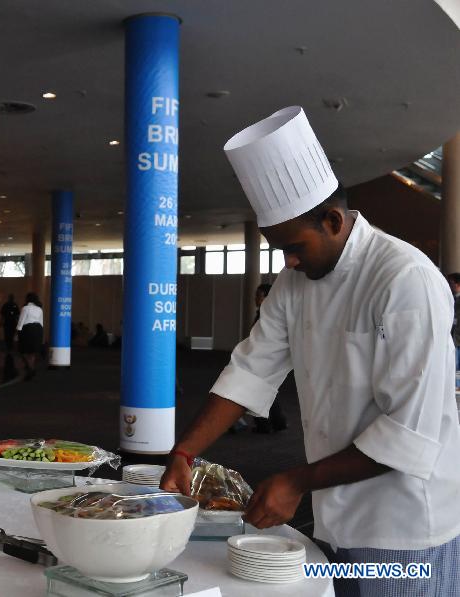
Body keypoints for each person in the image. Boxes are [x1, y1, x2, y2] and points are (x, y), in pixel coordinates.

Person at [160, 106, 460, 596]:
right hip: (335, 517)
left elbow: (410, 431)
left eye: (294, 246)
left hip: (406, 528)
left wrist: (297, 481)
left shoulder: (406, 280)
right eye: (279, 249)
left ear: (334, 221)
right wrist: (185, 452)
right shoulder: (295, 282)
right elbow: (250, 370)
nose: (289, 260)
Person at [251, 283, 288, 433]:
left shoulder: (265, 316)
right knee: (269, 392)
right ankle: (278, 422)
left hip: (263, 360)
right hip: (269, 360)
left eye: (259, 296)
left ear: (267, 297)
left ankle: (264, 424)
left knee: (259, 392)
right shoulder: (265, 313)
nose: (255, 299)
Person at [16, 292, 44, 380]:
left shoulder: (25, 308)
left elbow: (21, 322)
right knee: (32, 352)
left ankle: (30, 369)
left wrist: (16, 334)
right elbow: (41, 322)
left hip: (27, 330)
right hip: (38, 329)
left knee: (23, 351)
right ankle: (31, 368)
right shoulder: (40, 309)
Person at [447, 272, 460, 390]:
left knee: (456, 363)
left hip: (457, 338)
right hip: (453, 337)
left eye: (451, 283)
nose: (450, 286)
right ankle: (456, 385)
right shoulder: (451, 298)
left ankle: (457, 385)